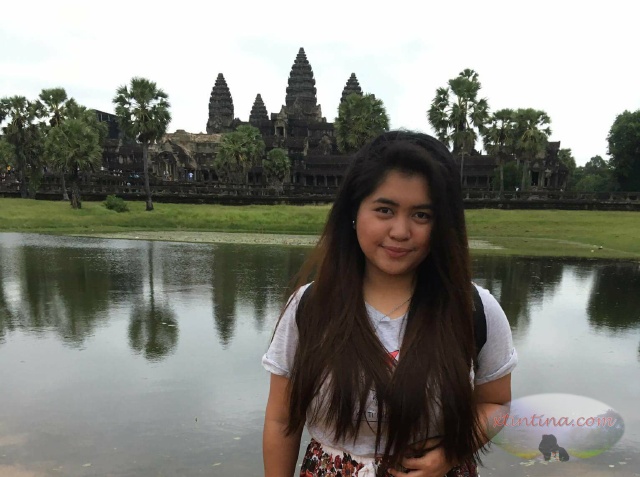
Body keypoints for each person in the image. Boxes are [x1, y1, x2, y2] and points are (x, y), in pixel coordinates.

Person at [262, 131, 517, 477]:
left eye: (421, 215)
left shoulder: (474, 309)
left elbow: (496, 405)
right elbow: (281, 420)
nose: (400, 231)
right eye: (385, 210)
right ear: (354, 212)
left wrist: (451, 453)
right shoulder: (310, 306)